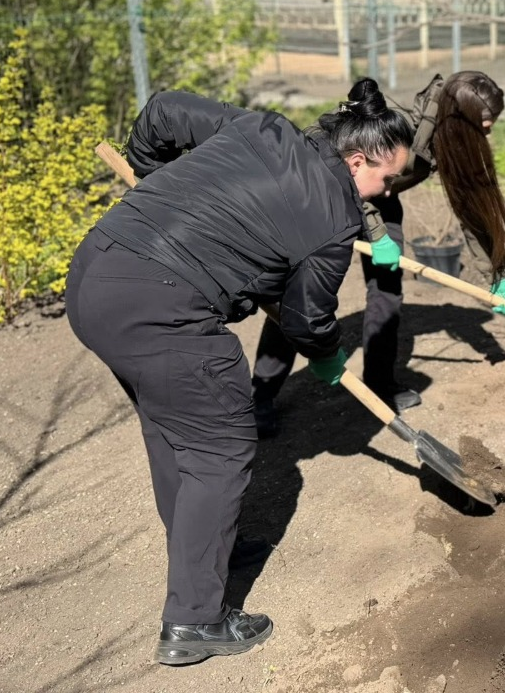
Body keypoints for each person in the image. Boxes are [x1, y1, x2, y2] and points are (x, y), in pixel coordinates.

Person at [65, 78, 413, 666]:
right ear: (358, 160)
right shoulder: (333, 219)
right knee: (220, 446)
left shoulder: (262, 128)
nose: (386, 191)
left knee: (174, 428)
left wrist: (152, 175)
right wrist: (327, 353)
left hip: (96, 276)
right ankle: (195, 620)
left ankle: (206, 555)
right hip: (163, 308)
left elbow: (164, 109)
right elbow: (305, 318)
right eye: (388, 178)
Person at [251, 70, 505, 436]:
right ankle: (260, 397)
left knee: (388, 292)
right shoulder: (391, 123)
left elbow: (473, 207)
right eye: (486, 125)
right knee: (299, 294)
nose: (488, 133)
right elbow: (339, 167)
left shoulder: (451, 138)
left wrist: (496, 274)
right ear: (466, 117)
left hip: (379, 197)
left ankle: (378, 384)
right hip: (327, 195)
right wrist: (377, 235)